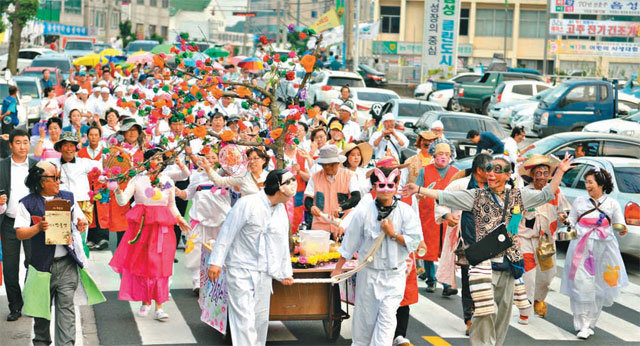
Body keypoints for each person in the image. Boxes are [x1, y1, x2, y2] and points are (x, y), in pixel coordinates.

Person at [404, 154, 574, 346]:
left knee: (503, 312)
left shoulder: (518, 196)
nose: (491, 174)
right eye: (490, 169)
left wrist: (560, 171)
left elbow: (546, 194)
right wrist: (418, 189)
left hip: (509, 262)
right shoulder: (477, 196)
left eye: (497, 170)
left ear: (508, 175)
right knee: (484, 310)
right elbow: (446, 196)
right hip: (483, 263)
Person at [331, 167, 423, 346]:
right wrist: (338, 268)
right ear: (374, 186)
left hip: (394, 275)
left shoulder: (405, 211)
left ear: (397, 186)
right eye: (381, 185)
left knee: (387, 323)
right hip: (369, 275)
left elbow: (414, 242)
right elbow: (350, 242)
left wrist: (393, 234)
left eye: (391, 185)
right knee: (364, 325)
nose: (386, 189)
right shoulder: (364, 212)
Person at [207, 169, 296, 346]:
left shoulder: (280, 210)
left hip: (264, 272)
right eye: (290, 181)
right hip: (240, 270)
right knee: (244, 321)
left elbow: (281, 244)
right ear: (278, 186)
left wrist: (285, 272)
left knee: (260, 320)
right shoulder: (247, 203)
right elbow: (227, 232)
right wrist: (216, 262)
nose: (294, 184)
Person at [109, 149, 191, 320]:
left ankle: (159, 306)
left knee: (160, 267)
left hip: (163, 229)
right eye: (154, 159)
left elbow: (171, 205)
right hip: (141, 228)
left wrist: (179, 219)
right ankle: (145, 301)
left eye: (160, 159)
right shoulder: (138, 179)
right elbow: (123, 201)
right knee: (143, 265)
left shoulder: (167, 180)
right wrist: (116, 188)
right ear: (145, 162)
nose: (157, 162)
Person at [15, 161, 89, 346]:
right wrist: (38, 227)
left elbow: (80, 219)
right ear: (41, 181)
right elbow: (20, 232)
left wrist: (81, 224)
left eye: (59, 178)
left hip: (66, 264)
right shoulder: (27, 203)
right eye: (54, 178)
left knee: (66, 310)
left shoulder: (68, 198)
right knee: (41, 314)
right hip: (40, 268)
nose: (58, 182)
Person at [560, 168, 629, 340]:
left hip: (604, 247)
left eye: (590, 182)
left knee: (600, 286)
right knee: (581, 284)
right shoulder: (579, 201)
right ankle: (582, 324)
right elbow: (573, 221)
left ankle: (590, 322)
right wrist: (565, 220)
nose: (587, 186)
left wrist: (622, 229)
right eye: (586, 182)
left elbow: (619, 224)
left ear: (601, 184)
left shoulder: (612, 203)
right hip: (581, 247)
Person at [435, 153, 492, 335]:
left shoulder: (494, 186)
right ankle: (469, 319)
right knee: (469, 281)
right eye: (488, 170)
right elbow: (440, 201)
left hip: (489, 242)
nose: (492, 174)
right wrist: (446, 215)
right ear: (479, 170)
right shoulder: (460, 185)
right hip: (466, 241)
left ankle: (483, 317)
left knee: (487, 283)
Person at [516, 155, 570, 325]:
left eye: (545, 173)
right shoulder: (525, 193)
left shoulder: (556, 192)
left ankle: (539, 299)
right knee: (529, 277)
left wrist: (563, 216)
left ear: (549, 175)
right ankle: (525, 311)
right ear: (532, 175)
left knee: (547, 276)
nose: (541, 176)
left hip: (546, 241)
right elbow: (515, 218)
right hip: (526, 240)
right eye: (538, 172)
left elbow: (565, 210)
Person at [0, 129, 36, 321]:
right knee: (10, 267)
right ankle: (15, 306)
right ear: (11, 145)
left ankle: (30, 302)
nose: (23, 146)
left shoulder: (37, 166)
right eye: (18, 142)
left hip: (31, 224)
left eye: (25, 142)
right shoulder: (2, 166)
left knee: (33, 264)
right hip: (8, 222)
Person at [414, 140, 459, 295]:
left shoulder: (455, 172)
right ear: (434, 154)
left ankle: (447, 284)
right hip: (427, 214)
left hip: (449, 216)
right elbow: (417, 189)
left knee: (447, 249)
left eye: (446, 154)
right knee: (429, 247)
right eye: (440, 154)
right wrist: (419, 194)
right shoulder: (424, 171)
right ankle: (431, 279)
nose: (443, 157)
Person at [304, 145, 361, 236]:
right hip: (320, 229)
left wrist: (341, 207)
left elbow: (356, 197)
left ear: (338, 163)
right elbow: (308, 198)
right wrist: (311, 207)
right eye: (324, 165)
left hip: (341, 227)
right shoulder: (315, 177)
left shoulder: (350, 176)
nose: (327, 167)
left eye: (331, 164)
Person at [78, 126, 109, 250]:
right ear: (87, 136)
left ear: (100, 137)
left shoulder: (105, 152)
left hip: (102, 186)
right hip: (87, 186)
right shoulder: (81, 153)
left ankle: (103, 238)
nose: (94, 137)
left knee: (102, 210)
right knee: (90, 210)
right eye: (91, 135)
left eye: (96, 135)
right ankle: (90, 239)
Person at [1, 86, 19, 158]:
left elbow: (2, 109)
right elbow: (9, 112)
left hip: (4, 121)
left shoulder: (5, 99)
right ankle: (7, 153)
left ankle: (3, 152)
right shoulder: (13, 101)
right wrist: (2, 116)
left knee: (4, 134)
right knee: (8, 136)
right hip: (9, 120)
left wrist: (1, 116)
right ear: (15, 92)